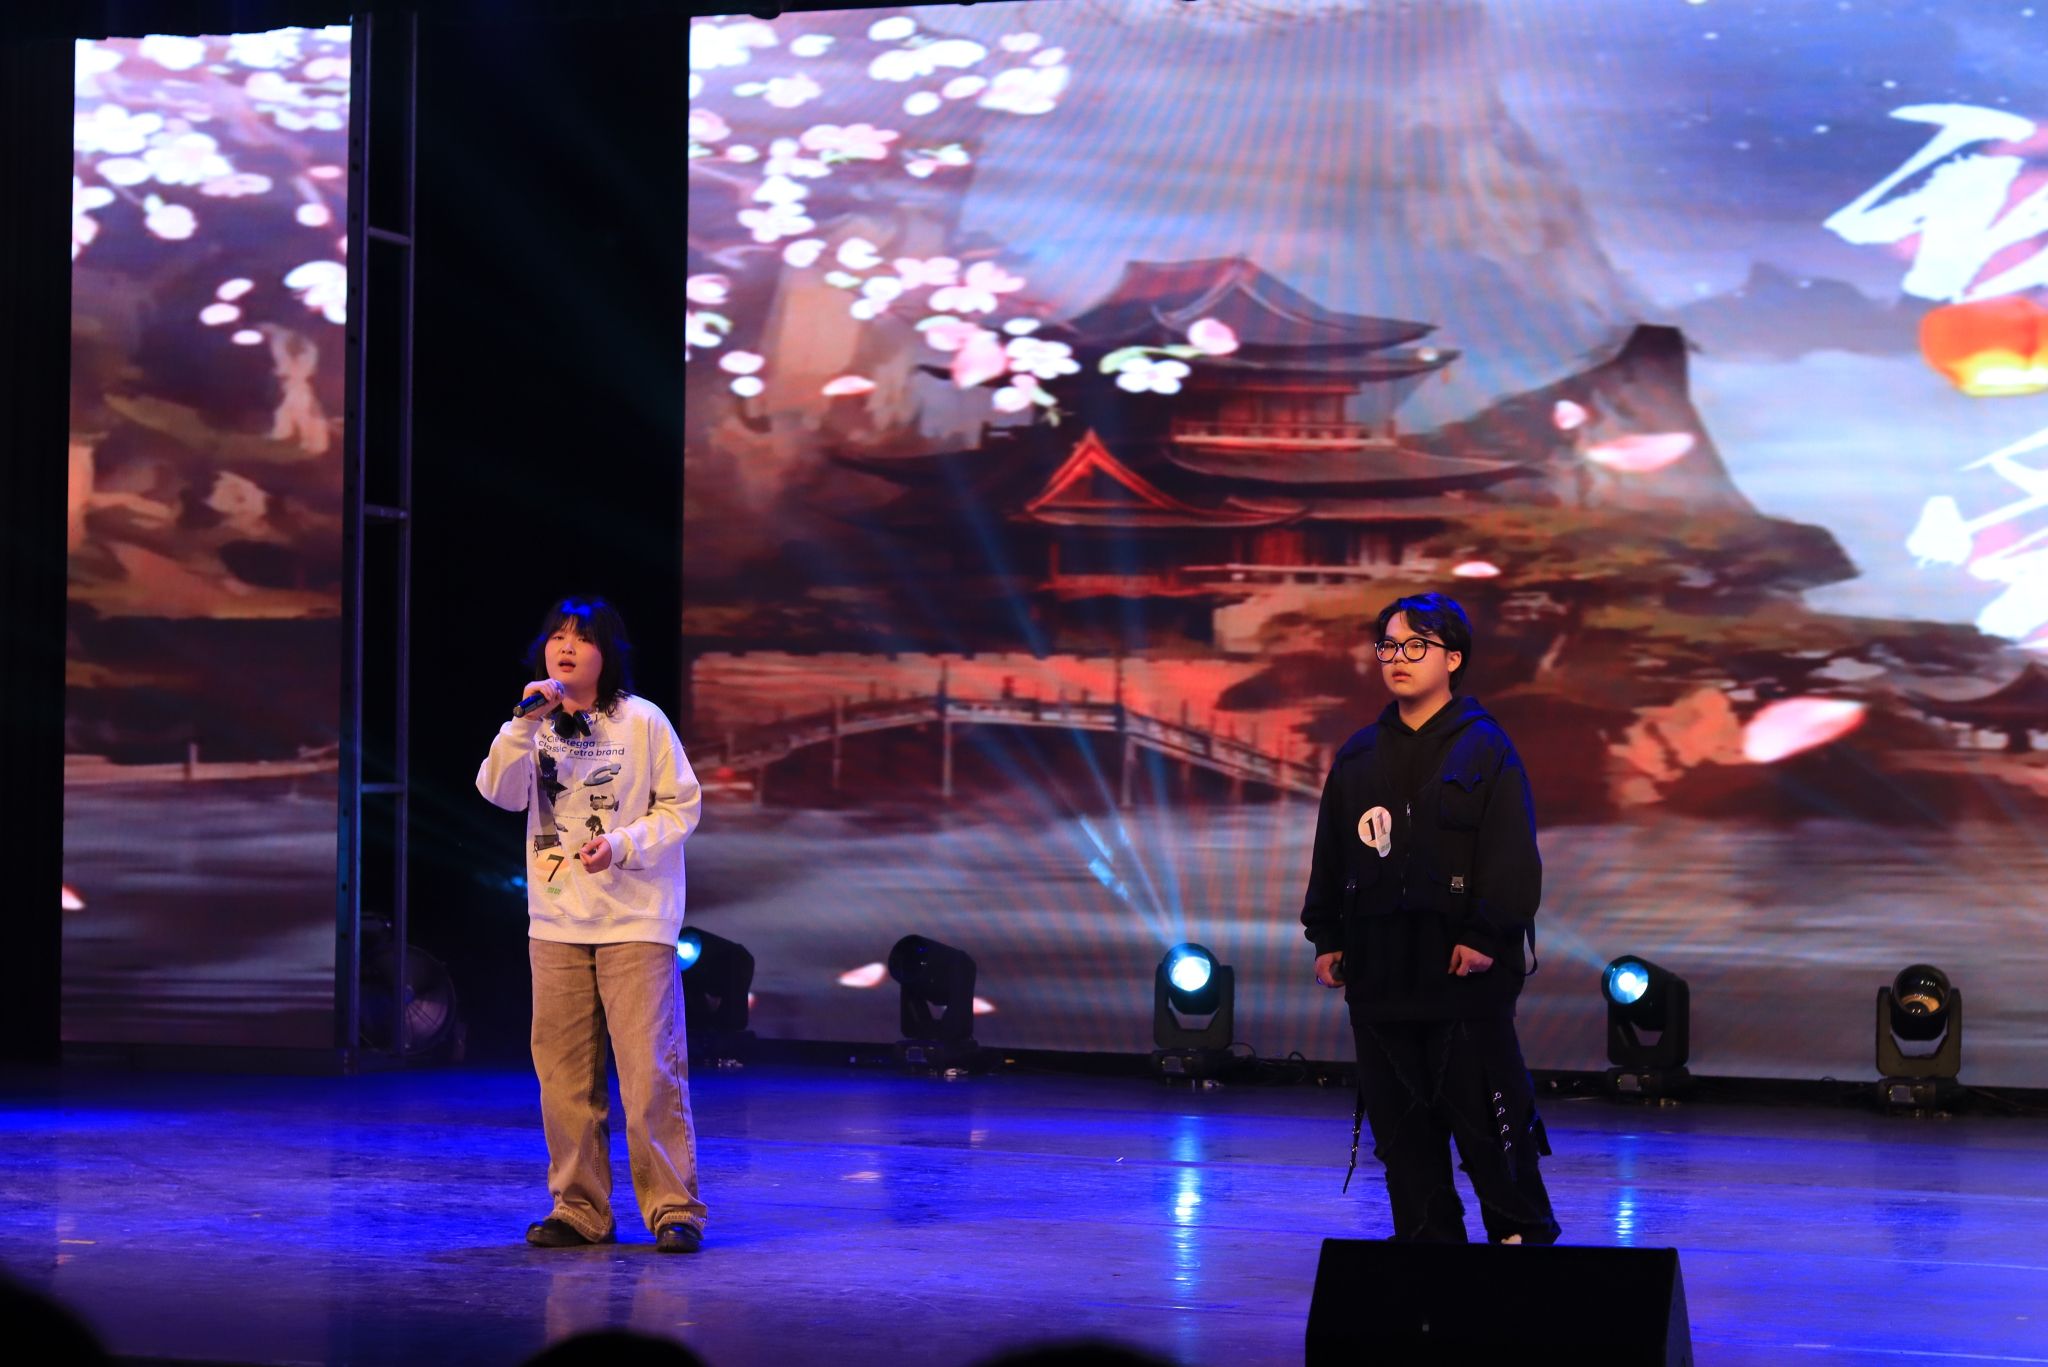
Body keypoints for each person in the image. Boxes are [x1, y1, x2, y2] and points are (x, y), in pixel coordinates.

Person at [1299, 592, 1559, 1244]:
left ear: (1453, 658)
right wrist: (1327, 935)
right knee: (1402, 1132)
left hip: (1462, 976)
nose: (1399, 658)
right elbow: (1331, 853)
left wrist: (1485, 933)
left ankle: (1521, 1239)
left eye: (1417, 645)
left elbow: (1512, 855)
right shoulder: (1359, 755)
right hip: (1381, 973)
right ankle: (1425, 1248)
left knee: (1490, 1123)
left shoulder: (1486, 747)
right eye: (1389, 645)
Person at [477, 596, 709, 1253]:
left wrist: (624, 844)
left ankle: (673, 1208)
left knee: (648, 1074)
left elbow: (682, 805)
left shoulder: (643, 720)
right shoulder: (534, 723)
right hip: (556, 920)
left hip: (634, 918)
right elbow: (498, 792)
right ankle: (579, 1208)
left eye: (581, 638)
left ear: (607, 654)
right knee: (564, 1077)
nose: (566, 647)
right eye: (557, 636)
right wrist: (522, 724)